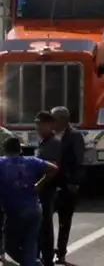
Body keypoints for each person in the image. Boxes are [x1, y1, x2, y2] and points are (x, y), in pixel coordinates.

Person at [0, 135, 58, 266]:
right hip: (34, 209)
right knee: (30, 245)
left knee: (9, 245)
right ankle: (32, 263)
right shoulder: (31, 161)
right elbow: (53, 168)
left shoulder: (1, 163)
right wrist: (40, 184)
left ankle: (33, 264)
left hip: (14, 211)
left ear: (4, 149)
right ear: (20, 150)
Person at [49, 107, 84, 263]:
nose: (51, 123)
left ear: (63, 119)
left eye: (53, 119)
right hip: (50, 185)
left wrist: (74, 183)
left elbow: (78, 160)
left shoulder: (75, 136)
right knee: (45, 219)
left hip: (67, 186)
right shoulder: (49, 136)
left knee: (64, 222)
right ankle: (47, 250)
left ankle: (61, 252)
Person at [33, 112, 60, 266]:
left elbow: (54, 168)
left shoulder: (53, 143)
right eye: (36, 124)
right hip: (41, 190)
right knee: (39, 225)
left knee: (45, 226)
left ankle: (48, 259)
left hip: (47, 190)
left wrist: (40, 184)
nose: (37, 127)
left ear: (50, 125)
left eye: (41, 124)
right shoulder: (43, 143)